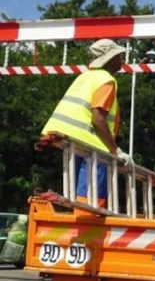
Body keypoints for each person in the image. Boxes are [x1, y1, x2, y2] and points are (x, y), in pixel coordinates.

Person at [41, 38, 132, 208]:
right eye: (119, 56)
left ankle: (80, 219)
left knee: (79, 194)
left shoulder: (85, 77)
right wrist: (115, 151)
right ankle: (89, 225)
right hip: (91, 143)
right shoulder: (106, 80)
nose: (122, 60)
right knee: (92, 198)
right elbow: (98, 118)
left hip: (70, 139)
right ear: (110, 59)